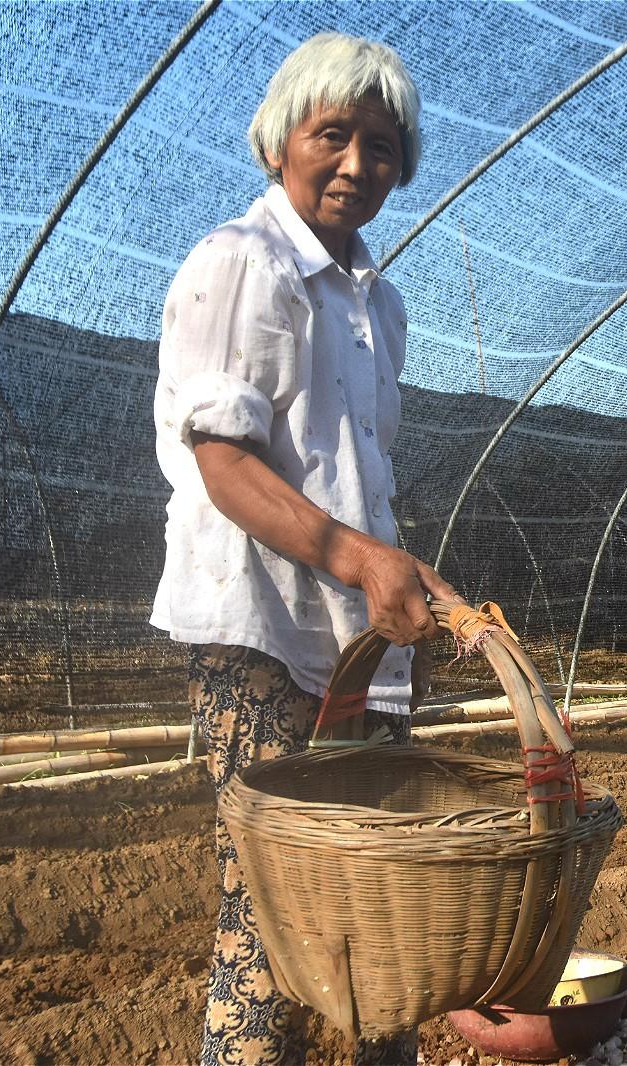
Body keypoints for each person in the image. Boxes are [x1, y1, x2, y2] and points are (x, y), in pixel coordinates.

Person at [150, 32, 457, 1066]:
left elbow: (355, 478)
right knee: (274, 922)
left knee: (383, 907)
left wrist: (408, 571)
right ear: (282, 139)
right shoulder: (245, 262)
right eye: (335, 135)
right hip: (262, 641)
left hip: (353, 648)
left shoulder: (378, 301)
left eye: (382, 147)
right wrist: (363, 561)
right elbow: (222, 463)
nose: (357, 165)